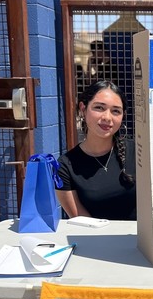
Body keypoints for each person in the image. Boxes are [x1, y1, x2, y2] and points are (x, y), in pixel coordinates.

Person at [56, 80, 136, 220]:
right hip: (95, 239)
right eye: (99, 108)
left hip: (141, 239)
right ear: (83, 108)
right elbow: (81, 220)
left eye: (116, 111)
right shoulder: (65, 166)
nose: (107, 117)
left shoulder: (139, 152)